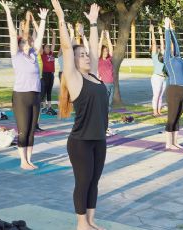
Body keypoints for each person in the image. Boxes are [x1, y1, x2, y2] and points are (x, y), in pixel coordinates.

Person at [51, 0, 107, 229]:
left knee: (94, 181)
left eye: (85, 54)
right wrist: (61, 17)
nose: (86, 56)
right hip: (80, 142)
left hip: (99, 139)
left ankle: (91, 221)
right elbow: (66, 48)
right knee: (83, 181)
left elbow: (94, 49)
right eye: (81, 54)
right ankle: (81, 223)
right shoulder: (74, 79)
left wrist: (93, 24)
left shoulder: (94, 75)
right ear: (73, 62)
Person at [0, 1, 48, 170]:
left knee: (32, 130)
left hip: (35, 95)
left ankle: (29, 159)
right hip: (21, 96)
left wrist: (42, 20)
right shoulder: (16, 56)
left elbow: (40, 37)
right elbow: (13, 34)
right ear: (19, 46)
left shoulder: (34, 55)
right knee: (23, 129)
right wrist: (7, 11)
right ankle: (22, 161)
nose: (27, 44)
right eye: (24, 43)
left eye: (28, 42)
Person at [163, 17, 183, 150]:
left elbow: (175, 44)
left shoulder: (178, 57)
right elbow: (168, 45)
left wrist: (172, 30)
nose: (172, 48)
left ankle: (175, 142)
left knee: (178, 117)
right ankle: (168, 143)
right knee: (172, 117)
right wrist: (166, 29)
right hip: (174, 90)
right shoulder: (168, 60)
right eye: (170, 49)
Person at [149, 23, 166, 116]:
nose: (157, 47)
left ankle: (159, 111)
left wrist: (160, 33)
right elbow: (154, 43)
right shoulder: (155, 56)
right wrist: (152, 32)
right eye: (154, 48)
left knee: (160, 95)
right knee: (156, 95)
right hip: (156, 77)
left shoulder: (162, 55)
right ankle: (155, 111)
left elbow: (162, 44)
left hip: (163, 78)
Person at [40, 28, 57, 115]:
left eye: (49, 47)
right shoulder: (43, 55)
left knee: (49, 91)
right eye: (46, 47)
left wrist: (54, 34)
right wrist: (41, 34)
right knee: (44, 91)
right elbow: (39, 44)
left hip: (51, 74)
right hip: (45, 74)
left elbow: (53, 43)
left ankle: (49, 107)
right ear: (43, 48)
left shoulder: (51, 54)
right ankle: (44, 107)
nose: (48, 48)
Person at [98, 29, 114, 112]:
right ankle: (103, 117)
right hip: (105, 84)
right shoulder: (99, 60)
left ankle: (106, 118)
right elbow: (99, 47)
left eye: (106, 51)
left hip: (112, 84)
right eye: (104, 51)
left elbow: (111, 48)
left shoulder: (109, 59)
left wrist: (108, 37)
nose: (106, 52)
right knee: (105, 102)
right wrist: (101, 37)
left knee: (109, 102)